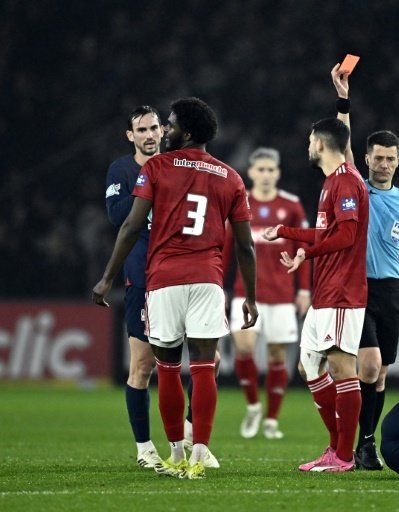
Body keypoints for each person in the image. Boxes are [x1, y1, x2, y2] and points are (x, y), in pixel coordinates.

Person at [93, 97, 258, 480]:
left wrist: (106, 277)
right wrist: (250, 295)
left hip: (164, 279)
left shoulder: (158, 168)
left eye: (167, 124)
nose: (163, 130)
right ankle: (198, 452)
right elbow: (246, 245)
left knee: (166, 369)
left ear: (184, 131)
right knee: (203, 368)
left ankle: (174, 453)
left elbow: (131, 226)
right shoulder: (231, 176)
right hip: (208, 278)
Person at [330, 63, 399, 470]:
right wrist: (343, 99)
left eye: (390, 159)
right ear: (368, 159)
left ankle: (364, 445)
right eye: (378, 158)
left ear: (398, 160)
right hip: (358, 288)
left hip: (391, 290)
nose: (384, 164)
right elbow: (343, 145)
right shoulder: (357, 186)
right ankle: (353, 444)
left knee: (381, 374)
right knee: (369, 365)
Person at [262, 116, 369, 473]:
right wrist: (286, 232)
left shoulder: (347, 182)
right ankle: (337, 447)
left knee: (341, 365)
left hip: (342, 290)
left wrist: (307, 253)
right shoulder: (331, 183)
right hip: (326, 290)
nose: (308, 146)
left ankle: (344, 455)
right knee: (308, 365)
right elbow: (326, 234)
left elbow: (347, 237)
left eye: (311, 140)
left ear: (321, 144)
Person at [225, 146, 311, 440]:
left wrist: (304, 290)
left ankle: (272, 419)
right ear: (250, 173)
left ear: (278, 173)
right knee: (245, 348)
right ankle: (252, 406)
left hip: (282, 294)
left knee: (276, 356)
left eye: (270, 170)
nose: (265, 175)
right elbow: (226, 249)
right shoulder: (239, 202)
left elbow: (304, 248)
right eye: (260, 170)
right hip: (245, 292)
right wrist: (219, 284)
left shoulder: (291, 206)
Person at [104, 105, 164, 470]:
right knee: (142, 365)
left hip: (181, 275)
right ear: (131, 136)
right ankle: (144, 447)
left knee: (212, 360)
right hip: (141, 276)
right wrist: (150, 189)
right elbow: (115, 216)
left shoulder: (175, 164)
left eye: (154, 127)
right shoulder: (122, 170)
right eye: (141, 130)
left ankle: (192, 437)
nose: (150, 135)